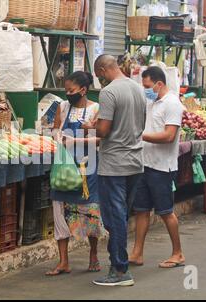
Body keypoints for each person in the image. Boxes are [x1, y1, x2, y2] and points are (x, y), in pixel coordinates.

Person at [92, 54, 146, 287]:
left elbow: (103, 130)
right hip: (135, 161)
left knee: (114, 218)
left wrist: (93, 125)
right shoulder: (137, 88)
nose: (99, 80)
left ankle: (120, 270)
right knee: (122, 215)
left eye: (98, 76)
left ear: (104, 70)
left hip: (114, 163)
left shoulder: (109, 92)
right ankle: (119, 265)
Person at [46, 71, 103, 276]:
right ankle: (63, 261)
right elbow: (54, 132)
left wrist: (86, 132)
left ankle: (94, 255)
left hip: (88, 167)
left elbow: (101, 139)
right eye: (66, 90)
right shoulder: (62, 107)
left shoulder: (96, 109)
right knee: (59, 210)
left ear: (83, 90)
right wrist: (58, 137)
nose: (68, 93)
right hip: (63, 167)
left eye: (71, 90)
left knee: (89, 210)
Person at [129, 66, 186, 268]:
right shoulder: (151, 102)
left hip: (162, 167)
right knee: (141, 210)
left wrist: (138, 135)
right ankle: (137, 253)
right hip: (144, 163)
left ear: (159, 84)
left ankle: (177, 253)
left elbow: (169, 136)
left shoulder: (172, 104)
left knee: (165, 211)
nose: (145, 89)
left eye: (147, 86)